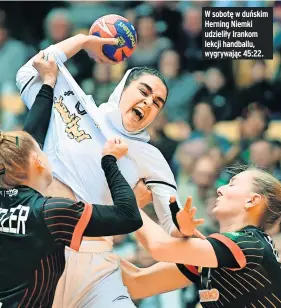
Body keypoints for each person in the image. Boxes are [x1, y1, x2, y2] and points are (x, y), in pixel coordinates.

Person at [16, 34, 185, 307]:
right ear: (122, 88)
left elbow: (173, 221)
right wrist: (84, 40)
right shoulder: (76, 103)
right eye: (143, 92)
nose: (148, 103)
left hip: (97, 260)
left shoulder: (150, 155)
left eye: (157, 103)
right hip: (41, 249)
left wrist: (182, 226)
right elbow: (34, 67)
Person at [0, 53, 144, 308]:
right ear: (38, 162)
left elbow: (29, 137)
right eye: (43, 152)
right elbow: (128, 216)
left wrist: (48, 83)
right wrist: (109, 161)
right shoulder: (50, 212)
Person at [122, 166, 281, 307]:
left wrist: (126, 203)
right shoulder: (216, 255)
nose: (220, 189)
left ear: (252, 200)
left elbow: (159, 247)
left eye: (232, 184)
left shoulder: (249, 244)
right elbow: (137, 284)